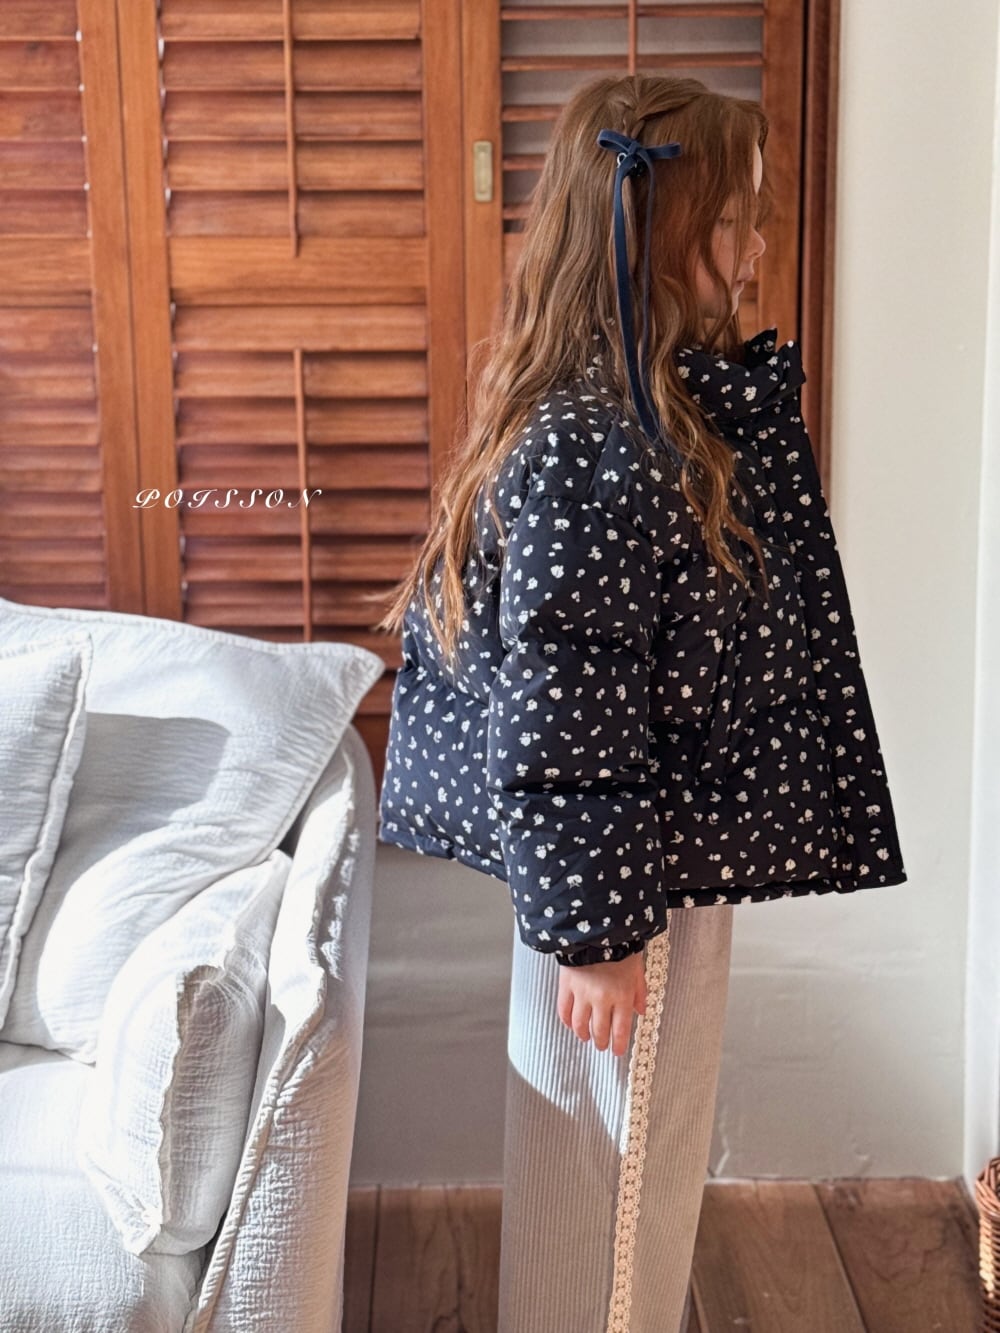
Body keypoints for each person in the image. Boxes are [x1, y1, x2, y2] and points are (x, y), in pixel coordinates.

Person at [375, 73, 907, 1333]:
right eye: (733, 220)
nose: (758, 247)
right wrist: (598, 934)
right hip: (626, 893)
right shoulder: (594, 444)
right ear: (654, 234)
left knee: (636, 1182)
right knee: (613, 1196)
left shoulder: (649, 419)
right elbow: (564, 701)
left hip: (644, 870)